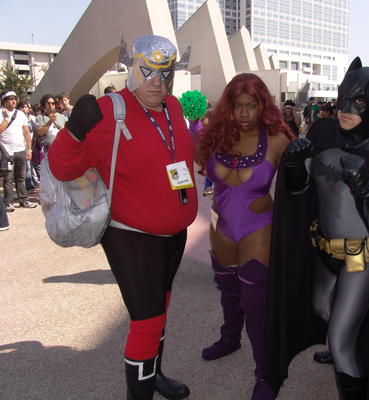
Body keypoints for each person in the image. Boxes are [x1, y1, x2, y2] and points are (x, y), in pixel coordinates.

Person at [47, 34, 198, 400]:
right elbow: (61, 168)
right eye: (148, 71)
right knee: (147, 320)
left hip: (173, 234)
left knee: (159, 308)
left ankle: (154, 375)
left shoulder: (172, 106)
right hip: (131, 234)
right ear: (132, 67)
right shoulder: (107, 110)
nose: (156, 82)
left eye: (165, 72)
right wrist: (74, 130)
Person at [265, 57, 369, 400]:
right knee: (325, 314)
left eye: (358, 101)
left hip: (363, 257)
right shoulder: (323, 133)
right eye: (343, 97)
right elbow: (300, 192)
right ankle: (355, 351)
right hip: (324, 250)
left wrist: (368, 192)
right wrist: (293, 164)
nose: (346, 108)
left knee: (340, 341)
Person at [197, 73, 292, 400]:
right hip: (221, 228)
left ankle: (266, 374)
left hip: (258, 229)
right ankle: (230, 338)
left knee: (255, 303)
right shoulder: (215, 137)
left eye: (251, 105)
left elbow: (303, 186)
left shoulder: (278, 140)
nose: (244, 113)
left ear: (262, 105)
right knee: (228, 292)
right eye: (237, 106)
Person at [0, 90, 37, 211]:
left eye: (15, 98)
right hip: (7, 151)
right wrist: (6, 119)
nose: (14, 101)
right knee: (8, 178)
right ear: (4, 101)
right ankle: (8, 202)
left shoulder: (20, 114)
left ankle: (23, 200)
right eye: (10, 99)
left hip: (20, 150)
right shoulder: (1, 113)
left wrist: (29, 149)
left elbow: (26, 132)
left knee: (21, 177)